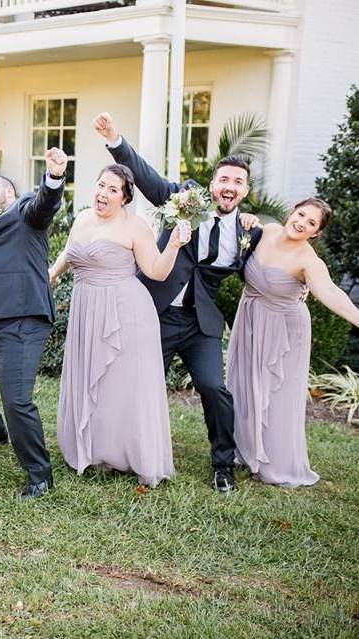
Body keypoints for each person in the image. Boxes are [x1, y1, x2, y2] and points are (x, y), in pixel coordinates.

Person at [93, 111, 262, 492]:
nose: (229, 186)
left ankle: (223, 464)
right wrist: (115, 139)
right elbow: (148, 178)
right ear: (213, 184)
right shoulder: (186, 200)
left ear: (246, 190)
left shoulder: (251, 232)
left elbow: (272, 262)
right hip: (155, 313)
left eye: (238, 182)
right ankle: (121, 452)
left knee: (213, 388)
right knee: (134, 382)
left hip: (200, 325)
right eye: (223, 179)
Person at [49, 165, 190, 487]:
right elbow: (69, 255)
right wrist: (52, 275)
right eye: (101, 185)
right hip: (87, 309)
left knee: (123, 384)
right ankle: (94, 448)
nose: (103, 193)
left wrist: (174, 246)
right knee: (90, 377)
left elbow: (156, 272)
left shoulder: (134, 226)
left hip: (125, 312)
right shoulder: (83, 218)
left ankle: (128, 453)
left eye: (113, 189)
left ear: (125, 198)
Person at [0, 148, 67, 500]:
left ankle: (39, 475)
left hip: (18, 327)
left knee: (17, 402)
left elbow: (45, 203)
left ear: (10, 194)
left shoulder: (25, 214)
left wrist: (53, 177)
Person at [227, 198, 359, 487]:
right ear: (291, 212)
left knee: (277, 394)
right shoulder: (270, 231)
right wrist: (246, 221)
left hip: (285, 330)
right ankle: (244, 449)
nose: (301, 223)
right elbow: (236, 237)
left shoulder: (309, 261)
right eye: (300, 214)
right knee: (245, 381)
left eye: (311, 223)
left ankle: (275, 462)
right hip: (250, 317)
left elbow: (330, 292)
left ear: (316, 233)